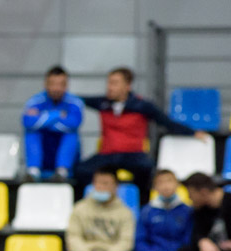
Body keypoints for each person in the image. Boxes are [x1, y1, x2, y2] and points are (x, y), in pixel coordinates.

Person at [75, 67, 208, 204]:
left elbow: (166, 122)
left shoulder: (142, 105)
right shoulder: (102, 103)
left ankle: (143, 208)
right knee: (80, 171)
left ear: (127, 86)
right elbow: (76, 100)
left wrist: (192, 132)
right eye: (109, 83)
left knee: (147, 170)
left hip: (132, 154)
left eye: (114, 83)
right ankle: (81, 206)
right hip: (107, 154)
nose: (109, 87)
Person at [61, 167, 134, 251]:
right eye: (97, 183)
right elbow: (73, 237)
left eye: (105, 183)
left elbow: (126, 241)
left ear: (116, 187)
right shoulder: (80, 208)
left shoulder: (125, 212)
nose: (100, 187)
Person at [129, 169, 193, 251]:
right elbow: (140, 240)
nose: (166, 186)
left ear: (177, 184)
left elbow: (188, 240)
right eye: (161, 182)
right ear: (155, 187)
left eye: (169, 181)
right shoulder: (146, 211)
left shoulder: (188, 211)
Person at [21, 65, 83, 182]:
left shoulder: (75, 102)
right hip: (44, 154)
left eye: (61, 84)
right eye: (53, 84)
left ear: (66, 85)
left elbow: (74, 123)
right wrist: (57, 114)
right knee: (32, 131)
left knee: (70, 133)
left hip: (68, 160)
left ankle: (62, 172)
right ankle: (33, 171)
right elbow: (28, 122)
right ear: (46, 84)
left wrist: (42, 118)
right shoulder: (35, 101)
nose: (56, 88)